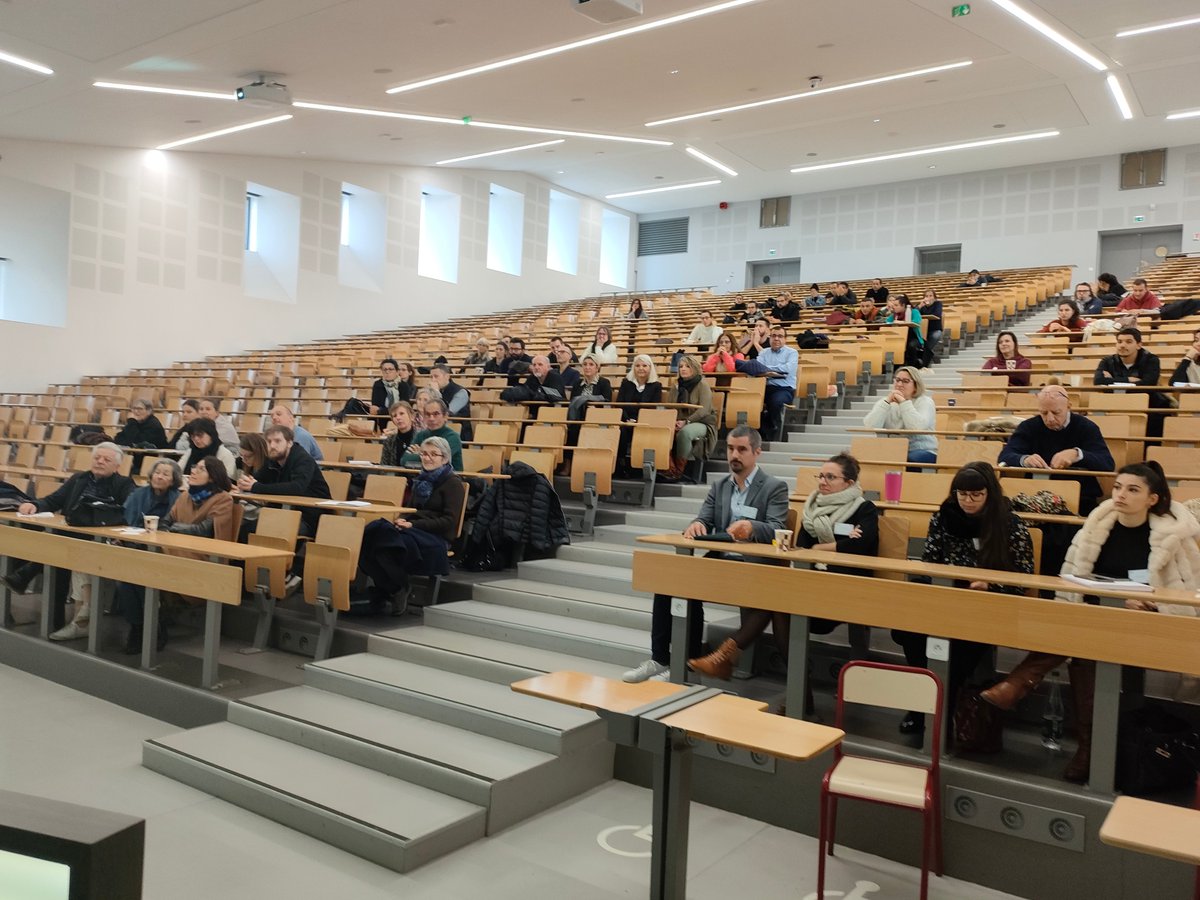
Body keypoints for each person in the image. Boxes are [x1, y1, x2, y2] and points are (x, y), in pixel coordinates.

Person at [980, 461, 1200, 782]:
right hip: (1096, 617)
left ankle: (1022, 684)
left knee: (1083, 640)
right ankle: (1089, 748)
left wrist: (1152, 604)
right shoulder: (1098, 525)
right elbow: (1074, 578)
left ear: (1153, 498)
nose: (1121, 495)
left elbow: (1189, 593)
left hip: (1147, 623)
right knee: (1084, 645)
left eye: (1133, 489)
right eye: (1118, 487)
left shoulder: (1172, 536)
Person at [622, 426, 789, 683]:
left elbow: (778, 528)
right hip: (721, 560)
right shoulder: (720, 485)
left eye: (742, 449)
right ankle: (660, 659)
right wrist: (696, 524)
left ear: (757, 452)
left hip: (754, 567)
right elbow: (705, 517)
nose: (734, 454)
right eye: (731, 448)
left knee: (688, 584)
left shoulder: (774, 487)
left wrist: (752, 527)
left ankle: (686, 667)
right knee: (668, 581)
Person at [892, 462, 1035, 734]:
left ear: (989, 494)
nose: (968, 501)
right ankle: (926, 703)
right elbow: (929, 562)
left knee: (957, 650)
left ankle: (933, 710)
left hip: (987, 606)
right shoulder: (944, 517)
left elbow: (1024, 576)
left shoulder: (1009, 524)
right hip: (944, 599)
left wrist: (991, 586)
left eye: (976, 495)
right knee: (907, 631)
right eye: (962, 494)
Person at [7, 443, 135, 640]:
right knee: (50, 551)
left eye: (106, 460)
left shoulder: (124, 485)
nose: (100, 461)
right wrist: (33, 505)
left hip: (96, 542)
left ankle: (24, 573)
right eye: (97, 458)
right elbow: (53, 501)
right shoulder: (79, 479)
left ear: (117, 466)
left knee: (54, 549)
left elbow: (124, 514)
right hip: (67, 538)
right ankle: (48, 613)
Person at [358, 436, 466, 614]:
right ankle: (395, 588)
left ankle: (399, 587)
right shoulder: (421, 480)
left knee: (384, 543)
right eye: (424, 453)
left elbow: (449, 522)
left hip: (435, 537)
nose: (427, 458)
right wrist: (402, 519)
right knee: (370, 537)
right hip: (414, 530)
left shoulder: (453, 484)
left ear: (445, 458)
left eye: (433, 454)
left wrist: (414, 525)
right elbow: (411, 510)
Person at [997, 386, 1114, 514]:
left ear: (1069, 406)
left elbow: (1107, 464)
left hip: (1081, 497)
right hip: (1036, 497)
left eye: (1056, 412)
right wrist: (1024, 459)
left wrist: (1077, 454)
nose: (1050, 419)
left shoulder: (1086, 427)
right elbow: (1005, 456)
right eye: (1044, 413)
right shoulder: (1028, 427)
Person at [113, 459, 184, 654]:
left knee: (141, 578)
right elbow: (123, 519)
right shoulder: (138, 494)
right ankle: (139, 626)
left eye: (165, 474)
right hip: (133, 548)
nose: (159, 476)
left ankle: (153, 625)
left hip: (161, 554)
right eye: (157, 472)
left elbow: (174, 529)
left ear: (173, 481)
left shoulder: (177, 499)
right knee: (126, 582)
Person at [237, 424, 332, 536]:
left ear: (289, 443)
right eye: (269, 441)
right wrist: (242, 486)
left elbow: (297, 488)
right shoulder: (272, 459)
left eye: (277, 441)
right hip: (282, 511)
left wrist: (255, 486)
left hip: (310, 516)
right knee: (243, 530)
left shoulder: (303, 459)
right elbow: (257, 481)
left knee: (259, 531)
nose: (272, 445)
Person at [1094, 326, 1167, 436]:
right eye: (1119, 342)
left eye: (1128, 342)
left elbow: (1148, 385)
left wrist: (1111, 382)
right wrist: (1128, 380)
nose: (1122, 345)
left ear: (1139, 345)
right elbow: (1098, 381)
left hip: (1147, 405)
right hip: (1115, 403)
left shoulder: (1151, 360)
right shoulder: (1107, 361)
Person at [862, 366, 937, 463]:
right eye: (897, 380)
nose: (899, 384)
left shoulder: (925, 402)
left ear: (916, 385)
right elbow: (870, 426)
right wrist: (886, 402)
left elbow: (916, 427)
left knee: (906, 459)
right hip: (893, 450)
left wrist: (903, 403)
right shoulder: (885, 402)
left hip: (921, 450)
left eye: (905, 381)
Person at [667, 355, 717, 479]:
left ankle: (679, 470)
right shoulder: (676, 386)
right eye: (680, 367)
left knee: (685, 433)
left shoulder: (702, 385)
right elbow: (670, 407)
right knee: (664, 431)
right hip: (679, 421)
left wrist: (686, 421)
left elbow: (704, 410)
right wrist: (673, 421)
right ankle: (668, 468)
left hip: (702, 422)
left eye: (687, 366)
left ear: (694, 368)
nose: (683, 369)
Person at [616, 355, 664, 472]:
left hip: (644, 421)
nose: (640, 368)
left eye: (644, 366)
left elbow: (653, 408)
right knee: (620, 430)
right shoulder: (626, 383)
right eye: (637, 366)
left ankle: (638, 467)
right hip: (625, 420)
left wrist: (637, 421)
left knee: (641, 431)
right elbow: (619, 404)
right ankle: (620, 464)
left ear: (650, 368)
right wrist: (627, 420)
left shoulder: (656, 386)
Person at [757, 326, 798, 442]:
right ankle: (761, 428)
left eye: (780, 336)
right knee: (750, 400)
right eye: (773, 336)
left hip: (783, 388)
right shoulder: (764, 352)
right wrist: (773, 371)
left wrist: (767, 370)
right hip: (764, 387)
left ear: (785, 339)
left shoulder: (792, 353)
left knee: (776, 402)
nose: (776, 339)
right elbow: (757, 368)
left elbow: (788, 369)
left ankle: (771, 430)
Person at [401, 399, 463, 470]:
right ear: (423, 417)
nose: (431, 418)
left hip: (449, 478)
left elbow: (439, 460)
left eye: (436, 414)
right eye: (428, 414)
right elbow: (404, 460)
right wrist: (429, 455)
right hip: (422, 477)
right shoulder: (420, 435)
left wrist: (420, 453)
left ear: (445, 416)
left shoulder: (453, 437)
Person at [429, 363, 472, 441]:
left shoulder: (461, 392)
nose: (433, 380)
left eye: (436, 376)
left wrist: (436, 393)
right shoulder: (434, 391)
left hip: (458, 434)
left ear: (447, 376)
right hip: (437, 430)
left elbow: (447, 413)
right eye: (431, 377)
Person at [883, 294, 925, 369]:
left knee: (911, 346)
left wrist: (901, 322)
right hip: (899, 337)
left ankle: (914, 367)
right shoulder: (895, 314)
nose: (894, 307)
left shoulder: (914, 311)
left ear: (903, 305)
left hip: (913, 338)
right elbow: (887, 321)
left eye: (896, 305)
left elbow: (916, 321)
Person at [380, 401, 417, 467]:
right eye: (395, 416)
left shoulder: (421, 438)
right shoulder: (389, 441)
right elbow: (384, 466)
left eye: (401, 413)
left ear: (412, 416)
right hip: (392, 476)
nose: (398, 418)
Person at [916, 288, 944, 366]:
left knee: (936, 335)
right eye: (926, 296)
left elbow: (937, 314)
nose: (928, 298)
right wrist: (920, 306)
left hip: (934, 329)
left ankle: (924, 354)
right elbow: (914, 314)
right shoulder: (921, 305)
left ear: (934, 298)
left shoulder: (938, 304)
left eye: (930, 296)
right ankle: (928, 354)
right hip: (922, 330)